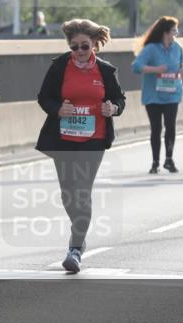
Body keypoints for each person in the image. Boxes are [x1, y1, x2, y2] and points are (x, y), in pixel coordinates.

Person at [36, 19, 126, 274]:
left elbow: (119, 98)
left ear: (95, 45)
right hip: (63, 137)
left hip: (94, 138)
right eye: (74, 47)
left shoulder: (106, 71)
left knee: (82, 190)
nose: (79, 52)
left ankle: (75, 248)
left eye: (84, 46)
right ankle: (81, 232)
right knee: (68, 194)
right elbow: (44, 97)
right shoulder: (59, 66)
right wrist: (57, 109)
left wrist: (114, 108)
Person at [132, 16, 183, 173]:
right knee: (156, 128)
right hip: (153, 96)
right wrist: (155, 70)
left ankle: (169, 160)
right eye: (174, 30)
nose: (176, 33)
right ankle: (155, 162)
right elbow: (136, 66)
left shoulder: (178, 48)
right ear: (166, 32)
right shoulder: (151, 48)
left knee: (171, 127)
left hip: (172, 94)